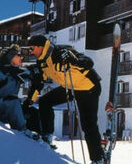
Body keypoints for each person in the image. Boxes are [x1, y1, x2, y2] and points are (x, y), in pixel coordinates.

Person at [27, 35, 104, 164]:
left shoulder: (60, 52)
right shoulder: (42, 62)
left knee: (88, 124)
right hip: (70, 86)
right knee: (45, 101)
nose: (31, 51)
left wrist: (74, 60)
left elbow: (88, 62)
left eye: (32, 48)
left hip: (87, 87)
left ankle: (97, 159)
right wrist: (29, 100)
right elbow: (38, 83)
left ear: (40, 47)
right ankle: (47, 136)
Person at [0, 44, 35, 137]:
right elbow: (14, 73)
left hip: (3, 108)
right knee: (13, 100)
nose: (21, 57)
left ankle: (39, 138)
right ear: (10, 57)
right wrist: (31, 71)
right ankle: (22, 132)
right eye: (18, 55)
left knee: (32, 112)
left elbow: (22, 74)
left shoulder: (15, 72)